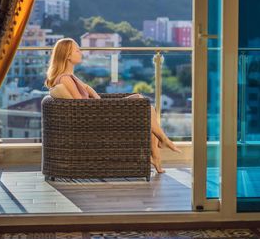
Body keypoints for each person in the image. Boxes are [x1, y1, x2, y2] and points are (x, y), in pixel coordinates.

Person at [45, 38, 181, 173]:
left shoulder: (69, 76)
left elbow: (87, 91)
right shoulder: (66, 79)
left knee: (144, 103)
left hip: (97, 111)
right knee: (146, 107)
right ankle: (162, 142)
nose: (81, 53)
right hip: (97, 118)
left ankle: (157, 154)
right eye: (77, 50)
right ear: (68, 56)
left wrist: (96, 97)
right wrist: (100, 103)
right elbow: (81, 105)